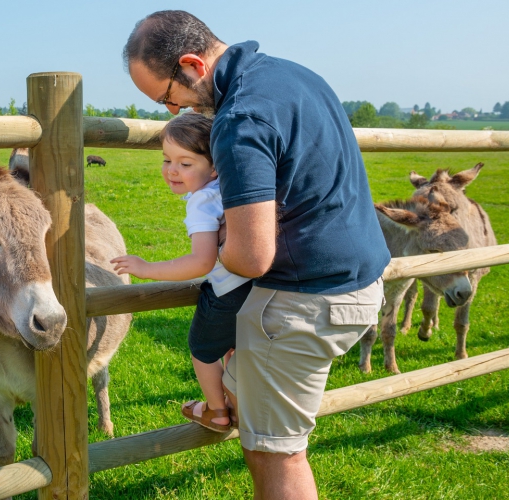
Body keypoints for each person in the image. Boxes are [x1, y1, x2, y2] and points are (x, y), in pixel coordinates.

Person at [124, 10, 390, 499]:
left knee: (277, 455)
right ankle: (226, 397)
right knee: (258, 422)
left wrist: (206, 261)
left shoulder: (240, 116)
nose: (170, 111)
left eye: (166, 96)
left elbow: (250, 258)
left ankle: (225, 397)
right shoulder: (292, 75)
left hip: (304, 301)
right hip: (360, 280)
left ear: (192, 65)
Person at [110, 112, 251, 432]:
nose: (172, 170)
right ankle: (235, 401)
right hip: (257, 286)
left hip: (227, 291)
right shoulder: (230, 186)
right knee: (234, 346)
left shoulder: (202, 201)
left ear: (213, 166)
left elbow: (202, 261)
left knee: (202, 351)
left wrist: (147, 269)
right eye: (166, 160)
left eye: (185, 164)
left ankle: (217, 411)